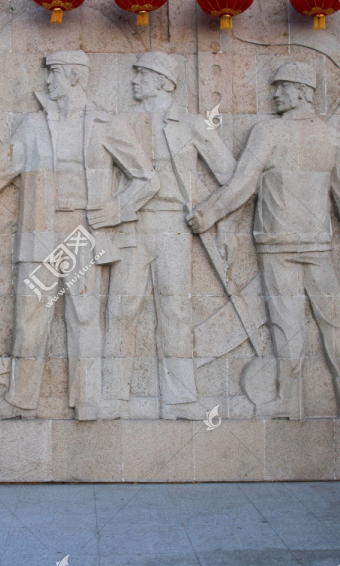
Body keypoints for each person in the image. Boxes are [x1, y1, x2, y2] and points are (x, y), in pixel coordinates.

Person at [0, 50, 158, 420]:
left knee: (83, 317)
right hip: (40, 232)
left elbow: (147, 179)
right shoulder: (32, 127)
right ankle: (20, 400)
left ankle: (87, 401)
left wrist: (116, 210)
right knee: (29, 318)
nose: (47, 82)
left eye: (54, 75)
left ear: (74, 77)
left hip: (85, 234)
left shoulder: (106, 124)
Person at [187, 61, 340, 419]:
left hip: (279, 245)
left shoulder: (268, 132)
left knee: (288, 326)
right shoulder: (332, 136)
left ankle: (291, 403)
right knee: (334, 324)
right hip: (316, 244)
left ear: (303, 91)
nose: (275, 94)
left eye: (282, 87)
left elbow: (242, 185)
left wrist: (207, 214)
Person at [101, 52, 235, 420]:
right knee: (120, 310)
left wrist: (218, 220)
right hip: (132, 224)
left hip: (175, 226)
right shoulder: (124, 121)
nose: (134, 82)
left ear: (162, 81)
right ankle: (113, 397)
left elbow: (229, 175)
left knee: (175, 310)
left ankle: (179, 399)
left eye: (141, 75)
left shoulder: (192, 124)